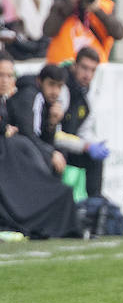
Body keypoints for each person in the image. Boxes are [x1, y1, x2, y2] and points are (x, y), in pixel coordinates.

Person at [0, 51, 81, 238]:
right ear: (40, 82)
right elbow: (27, 134)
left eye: (9, 75)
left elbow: (36, 138)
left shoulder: (25, 101)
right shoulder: (29, 96)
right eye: (0, 75)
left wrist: (52, 124)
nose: (5, 80)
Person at [55, 46, 111, 198]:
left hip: (69, 146)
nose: (88, 75)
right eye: (84, 68)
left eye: (93, 70)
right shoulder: (61, 88)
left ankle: (95, 204)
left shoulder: (88, 94)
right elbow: (54, 134)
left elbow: (84, 130)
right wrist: (85, 146)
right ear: (75, 66)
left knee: (95, 159)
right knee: (58, 156)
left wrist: (93, 144)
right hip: (50, 146)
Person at [45, 0, 123, 65]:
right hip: (64, 66)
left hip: (94, 69)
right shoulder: (62, 4)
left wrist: (97, 10)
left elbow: (119, 33)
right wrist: (70, 4)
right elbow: (48, 31)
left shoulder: (106, 7)